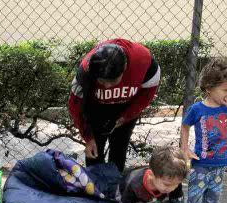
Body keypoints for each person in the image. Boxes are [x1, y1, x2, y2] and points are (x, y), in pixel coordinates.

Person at [69, 38, 161, 172]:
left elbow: (146, 95)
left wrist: (125, 117)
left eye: (112, 81)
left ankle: (115, 185)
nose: (107, 86)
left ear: (124, 69)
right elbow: (74, 106)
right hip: (96, 109)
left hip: (126, 107)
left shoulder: (144, 62)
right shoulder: (85, 71)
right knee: (94, 152)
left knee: (119, 147)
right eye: (102, 81)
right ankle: (95, 188)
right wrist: (88, 137)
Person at [180, 58, 227, 203]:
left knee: (215, 191)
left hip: (222, 160)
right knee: (197, 189)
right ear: (209, 88)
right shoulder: (198, 109)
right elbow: (185, 126)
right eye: (226, 90)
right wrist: (185, 148)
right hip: (202, 161)